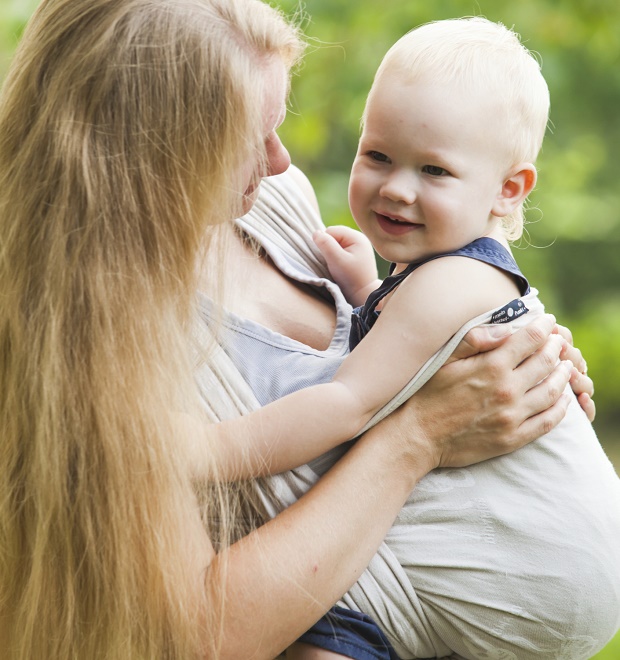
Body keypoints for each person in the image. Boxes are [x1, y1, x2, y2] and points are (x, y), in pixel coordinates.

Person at [0, 1, 594, 659]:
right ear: (142, 154)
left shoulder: (275, 206)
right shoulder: (75, 350)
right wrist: (421, 434)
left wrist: (530, 364)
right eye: (247, 139)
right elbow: (199, 635)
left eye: (277, 125)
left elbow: (416, 330)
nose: (282, 162)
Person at [195, 17, 620, 660]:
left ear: (508, 190)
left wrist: (203, 452)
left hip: (536, 570)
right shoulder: (431, 279)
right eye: (378, 156)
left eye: (435, 171)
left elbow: (348, 403)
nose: (397, 187)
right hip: (437, 594)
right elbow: (409, 358)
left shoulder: (450, 283)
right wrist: (369, 291)